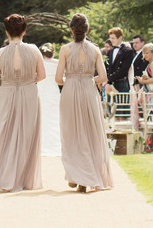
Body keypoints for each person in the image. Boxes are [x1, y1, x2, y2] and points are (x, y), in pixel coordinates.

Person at [0, 14, 45, 191]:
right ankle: (24, 178)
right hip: (29, 93)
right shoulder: (34, 50)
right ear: (24, 31)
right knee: (27, 135)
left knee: (4, 133)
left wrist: (10, 82)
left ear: (6, 32)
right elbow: (42, 75)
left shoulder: (0, 53)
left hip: (7, 93)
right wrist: (27, 80)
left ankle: (5, 175)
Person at [56, 13, 112, 192]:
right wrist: (88, 81)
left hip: (70, 91)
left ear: (71, 30)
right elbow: (103, 77)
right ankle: (85, 177)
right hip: (89, 90)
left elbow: (58, 78)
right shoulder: (95, 50)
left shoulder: (65, 49)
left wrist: (72, 82)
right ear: (87, 29)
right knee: (90, 132)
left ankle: (76, 174)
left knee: (71, 133)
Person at [37, 43, 61, 157]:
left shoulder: (39, 63)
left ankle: (40, 144)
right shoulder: (58, 63)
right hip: (53, 91)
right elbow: (60, 78)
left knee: (41, 117)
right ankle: (55, 143)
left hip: (41, 89)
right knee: (54, 118)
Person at [105, 27, 132, 93]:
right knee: (109, 103)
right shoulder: (110, 52)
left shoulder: (127, 51)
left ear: (120, 37)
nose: (111, 40)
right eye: (110, 38)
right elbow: (107, 67)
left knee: (121, 103)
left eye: (113, 38)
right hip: (109, 84)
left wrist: (109, 78)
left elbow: (124, 69)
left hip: (122, 84)